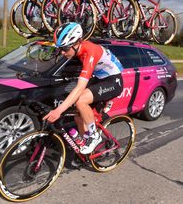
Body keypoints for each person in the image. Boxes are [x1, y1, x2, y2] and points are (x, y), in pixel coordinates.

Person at [43, 22, 124, 154]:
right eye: (60, 49)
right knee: (78, 117)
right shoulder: (77, 50)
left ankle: (94, 136)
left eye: (65, 48)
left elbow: (80, 87)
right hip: (100, 79)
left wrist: (58, 111)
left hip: (113, 80)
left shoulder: (89, 51)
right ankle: (84, 149)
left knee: (80, 100)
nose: (63, 53)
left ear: (77, 43)